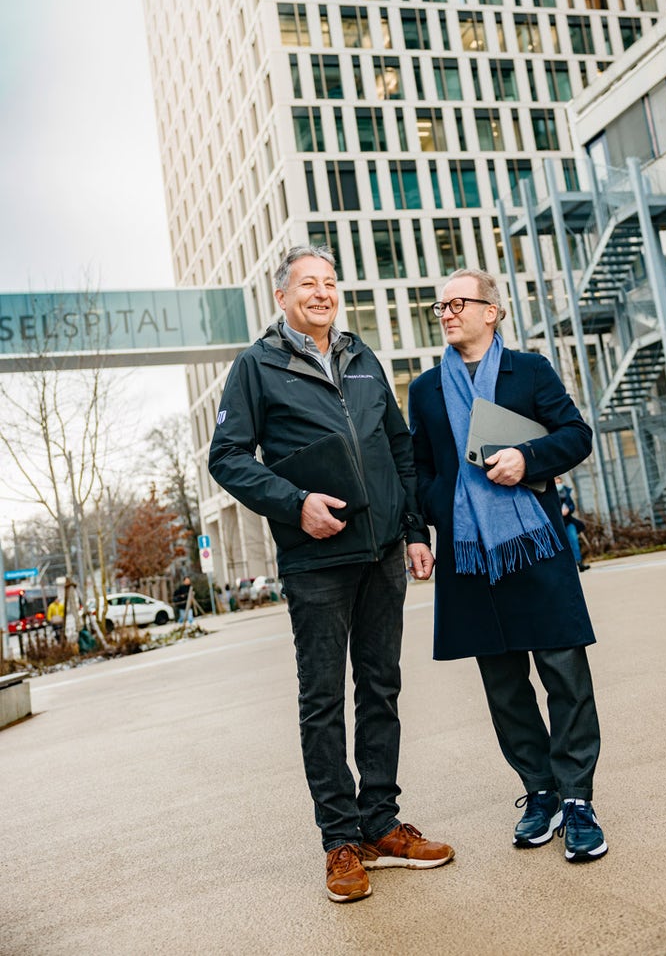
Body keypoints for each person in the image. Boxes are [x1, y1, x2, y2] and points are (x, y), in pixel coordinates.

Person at [208, 245, 453, 903]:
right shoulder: (256, 367)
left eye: (329, 282)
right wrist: (295, 504)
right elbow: (227, 457)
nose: (321, 293)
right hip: (315, 561)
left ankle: (380, 824)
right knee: (323, 702)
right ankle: (340, 840)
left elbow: (398, 445)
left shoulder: (361, 355)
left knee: (382, 688)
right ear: (282, 298)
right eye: (307, 284)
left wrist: (415, 529)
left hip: (381, 555)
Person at [409, 268, 608, 864]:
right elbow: (416, 468)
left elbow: (576, 435)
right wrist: (423, 526)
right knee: (504, 687)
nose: (445, 313)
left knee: (564, 674)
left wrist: (527, 457)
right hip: (468, 556)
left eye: (457, 303)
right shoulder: (423, 389)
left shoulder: (531, 370)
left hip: (534, 545)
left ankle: (577, 800)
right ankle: (539, 790)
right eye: (439, 305)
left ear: (491, 311)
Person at [555, 477, 589, 572]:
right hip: (558, 523)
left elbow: (572, 506)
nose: (558, 484)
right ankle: (566, 565)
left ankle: (579, 562)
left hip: (569, 521)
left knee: (574, 541)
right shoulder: (550, 495)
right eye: (556, 482)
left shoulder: (567, 493)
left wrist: (568, 509)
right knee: (562, 545)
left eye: (559, 482)